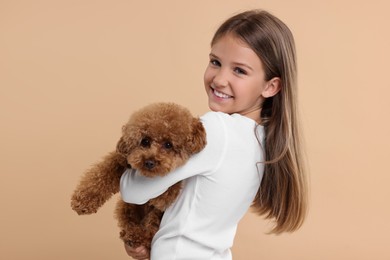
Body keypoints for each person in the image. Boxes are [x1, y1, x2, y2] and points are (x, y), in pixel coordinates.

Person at [121, 9, 308, 260]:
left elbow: (133, 190)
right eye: (215, 62)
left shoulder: (218, 130)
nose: (219, 79)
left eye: (239, 71)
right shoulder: (261, 140)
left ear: (271, 86)